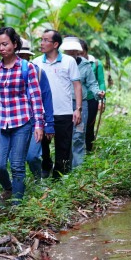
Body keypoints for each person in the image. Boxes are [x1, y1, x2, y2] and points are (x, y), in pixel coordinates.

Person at [0, 27, 44, 203]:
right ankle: (9, 188)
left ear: (14, 44)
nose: (1, 48)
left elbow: (35, 97)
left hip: (22, 122)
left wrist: (39, 124)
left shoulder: (27, 67)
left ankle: (17, 205)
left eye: (5, 44)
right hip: (0, 124)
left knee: (17, 166)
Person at [33, 30, 82, 179]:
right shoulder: (35, 62)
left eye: (46, 40)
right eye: (41, 40)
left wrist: (78, 109)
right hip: (42, 112)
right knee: (43, 145)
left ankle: (59, 176)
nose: (42, 43)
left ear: (55, 44)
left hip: (64, 111)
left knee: (63, 146)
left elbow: (77, 85)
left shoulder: (69, 61)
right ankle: (46, 165)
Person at [60, 37, 102, 168]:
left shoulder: (85, 64)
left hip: (81, 105)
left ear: (78, 51)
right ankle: (65, 165)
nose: (71, 52)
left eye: (74, 50)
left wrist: (97, 93)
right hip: (63, 104)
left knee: (78, 135)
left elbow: (92, 83)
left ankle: (77, 168)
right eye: (69, 50)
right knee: (65, 136)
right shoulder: (59, 63)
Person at [16, 39, 55, 179]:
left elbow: (47, 98)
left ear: (29, 56)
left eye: (24, 55)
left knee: (32, 156)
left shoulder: (38, 73)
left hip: (35, 122)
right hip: (15, 122)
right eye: (19, 54)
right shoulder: (4, 72)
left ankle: (38, 180)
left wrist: (49, 124)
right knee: (16, 159)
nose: (21, 58)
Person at [79, 39, 106, 152]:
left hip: (92, 99)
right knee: (78, 126)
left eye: (82, 53)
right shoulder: (72, 62)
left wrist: (102, 99)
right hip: (77, 99)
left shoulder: (95, 63)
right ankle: (78, 150)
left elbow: (101, 82)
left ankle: (88, 150)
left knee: (89, 125)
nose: (80, 55)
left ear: (86, 52)